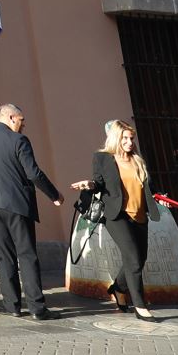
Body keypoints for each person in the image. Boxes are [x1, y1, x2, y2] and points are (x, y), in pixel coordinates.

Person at [0, 102, 62, 320]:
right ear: (12, 117)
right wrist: (54, 195)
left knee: (3, 256)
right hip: (15, 204)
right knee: (27, 254)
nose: (24, 126)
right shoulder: (19, 140)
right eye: (22, 121)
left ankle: (12, 305)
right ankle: (37, 308)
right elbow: (33, 173)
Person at [71, 119, 161, 321]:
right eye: (125, 138)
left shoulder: (137, 159)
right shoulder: (103, 158)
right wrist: (90, 184)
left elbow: (148, 187)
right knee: (134, 259)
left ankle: (118, 288)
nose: (130, 142)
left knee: (139, 259)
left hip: (139, 215)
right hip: (117, 215)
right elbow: (99, 183)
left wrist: (160, 197)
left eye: (131, 138)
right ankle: (140, 306)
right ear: (116, 138)